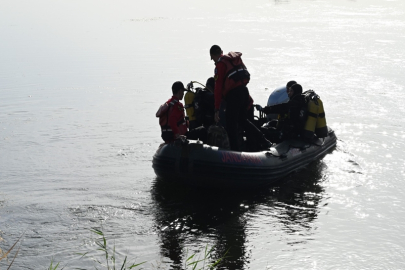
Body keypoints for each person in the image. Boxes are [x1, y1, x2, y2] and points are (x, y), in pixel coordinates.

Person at [209, 45, 271, 151]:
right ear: (221, 51)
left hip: (234, 95)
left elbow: (218, 87)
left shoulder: (220, 64)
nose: (213, 61)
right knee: (243, 120)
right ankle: (263, 140)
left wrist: (216, 109)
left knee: (231, 123)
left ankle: (234, 151)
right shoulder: (233, 60)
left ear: (213, 55)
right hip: (244, 92)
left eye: (212, 58)